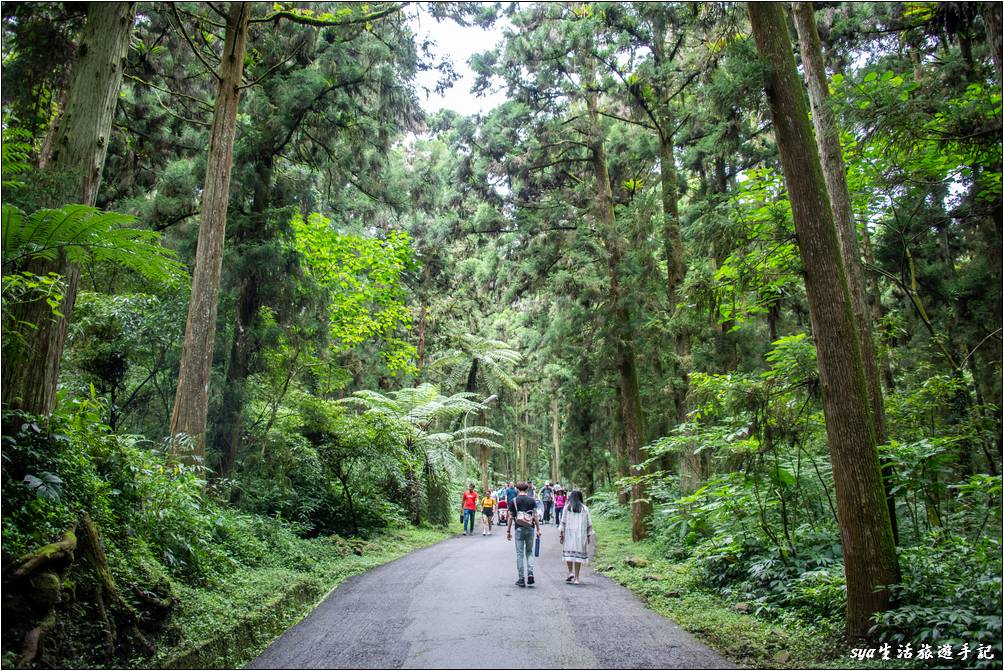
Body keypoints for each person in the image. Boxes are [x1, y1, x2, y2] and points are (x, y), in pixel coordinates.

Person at [506, 482, 541, 587]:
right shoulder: (532, 500)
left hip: (519, 528)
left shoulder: (514, 501)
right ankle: (530, 574)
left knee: (519, 554)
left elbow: (511, 517)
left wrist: (508, 531)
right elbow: (535, 516)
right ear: (526, 490)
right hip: (530, 528)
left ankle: (521, 579)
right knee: (529, 552)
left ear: (517, 490)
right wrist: (538, 529)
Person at [559, 490, 593, 585]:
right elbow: (589, 524)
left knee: (569, 554)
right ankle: (577, 578)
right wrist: (588, 536)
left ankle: (570, 572)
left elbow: (563, 522)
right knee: (578, 556)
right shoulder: (585, 509)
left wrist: (561, 535)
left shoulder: (567, 508)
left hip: (569, 535)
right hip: (580, 536)